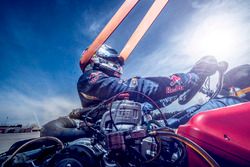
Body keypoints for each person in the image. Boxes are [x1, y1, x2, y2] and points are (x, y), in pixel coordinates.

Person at [40, 44, 219, 141]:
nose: (119, 67)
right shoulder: (90, 78)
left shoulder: (115, 93)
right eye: (115, 61)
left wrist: (180, 90)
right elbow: (137, 89)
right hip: (108, 134)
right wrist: (192, 77)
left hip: (137, 128)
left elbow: (152, 100)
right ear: (103, 59)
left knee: (202, 114)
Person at [167, 64, 250, 128]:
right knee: (193, 111)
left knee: (201, 113)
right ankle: (164, 129)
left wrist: (224, 87)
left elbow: (227, 80)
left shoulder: (245, 70)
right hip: (239, 106)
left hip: (240, 106)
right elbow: (226, 82)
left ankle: (167, 131)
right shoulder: (245, 70)